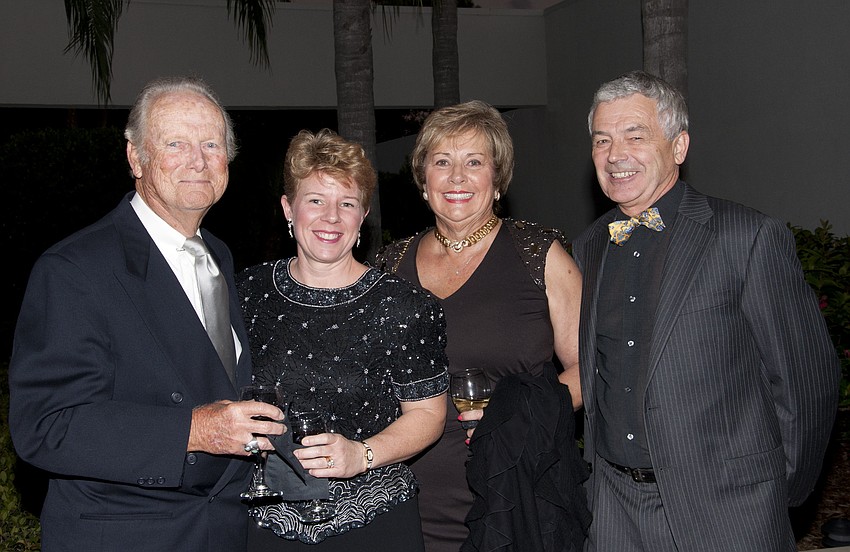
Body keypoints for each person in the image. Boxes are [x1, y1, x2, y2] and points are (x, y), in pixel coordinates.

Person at [8, 76, 285, 551]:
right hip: (130, 535)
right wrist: (195, 430)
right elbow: (46, 426)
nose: (198, 160)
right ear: (136, 157)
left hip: (222, 529)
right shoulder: (75, 269)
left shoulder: (217, 254)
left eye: (211, 144)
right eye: (176, 143)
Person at [572, 70, 841, 552]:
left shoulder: (746, 237)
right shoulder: (591, 247)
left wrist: (777, 491)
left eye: (636, 136)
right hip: (613, 509)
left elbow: (807, 379)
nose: (616, 155)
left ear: (679, 147)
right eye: (602, 140)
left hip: (726, 510)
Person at [376, 100, 588, 551]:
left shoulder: (539, 254)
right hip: (405, 496)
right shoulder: (389, 266)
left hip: (516, 493)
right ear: (423, 180)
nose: (457, 177)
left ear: (497, 180)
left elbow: (590, 371)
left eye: (474, 162)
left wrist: (515, 413)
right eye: (442, 162)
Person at [238, 128, 449, 551]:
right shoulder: (246, 293)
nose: (331, 217)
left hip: (373, 521)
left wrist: (361, 455)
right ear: (288, 209)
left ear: (362, 216)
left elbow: (428, 415)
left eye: (346, 204)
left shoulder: (404, 305)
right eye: (315, 200)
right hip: (266, 522)